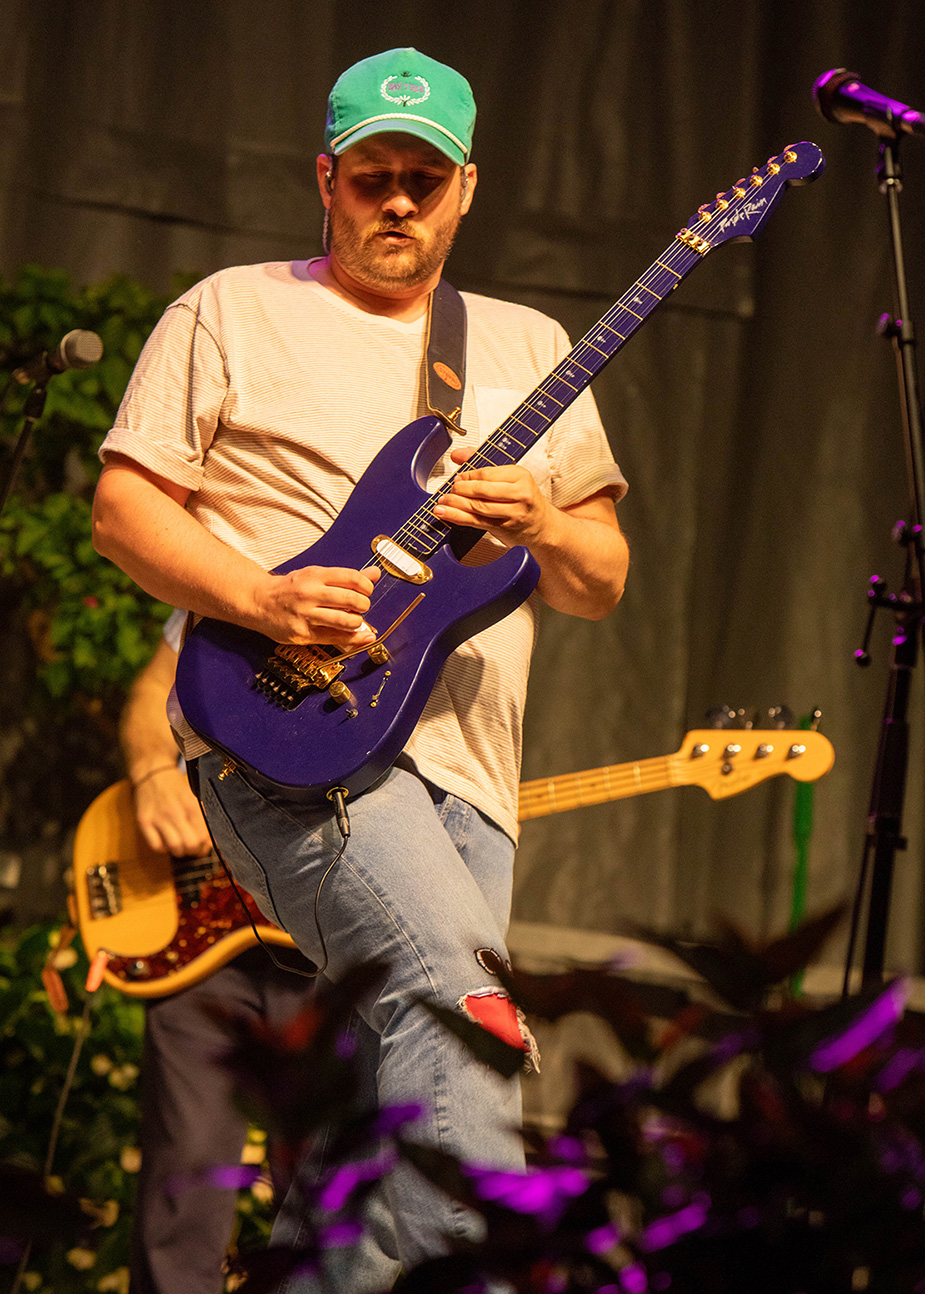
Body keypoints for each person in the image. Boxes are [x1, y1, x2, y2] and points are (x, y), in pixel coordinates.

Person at [91, 46, 629, 1291]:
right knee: (462, 1016)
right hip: (291, 729)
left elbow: (600, 577)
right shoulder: (230, 308)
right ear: (323, 180)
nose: (397, 202)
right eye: (372, 176)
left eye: (423, 180)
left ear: (467, 189)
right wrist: (259, 596)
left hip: (471, 774)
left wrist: (542, 519)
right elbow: (125, 512)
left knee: (379, 1114)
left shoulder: (526, 343)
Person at [122, 612, 320, 1294]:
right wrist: (153, 771)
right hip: (204, 944)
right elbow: (153, 693)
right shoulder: (229, 563)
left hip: (325, 951)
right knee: (185, 1181)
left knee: (321, 1188)